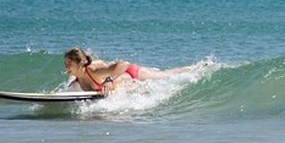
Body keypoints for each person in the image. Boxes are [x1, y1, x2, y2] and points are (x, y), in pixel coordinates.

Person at [63, 47, 194, 94]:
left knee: (165, 75)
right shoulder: (77, 81)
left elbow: (123, 64)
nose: (66, 67)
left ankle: (194, 68)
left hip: (133, 74)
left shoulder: (94, 71)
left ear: (80, 64)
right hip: (127, 83)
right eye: (65, 63)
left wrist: (109, 80)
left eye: (69, 63)